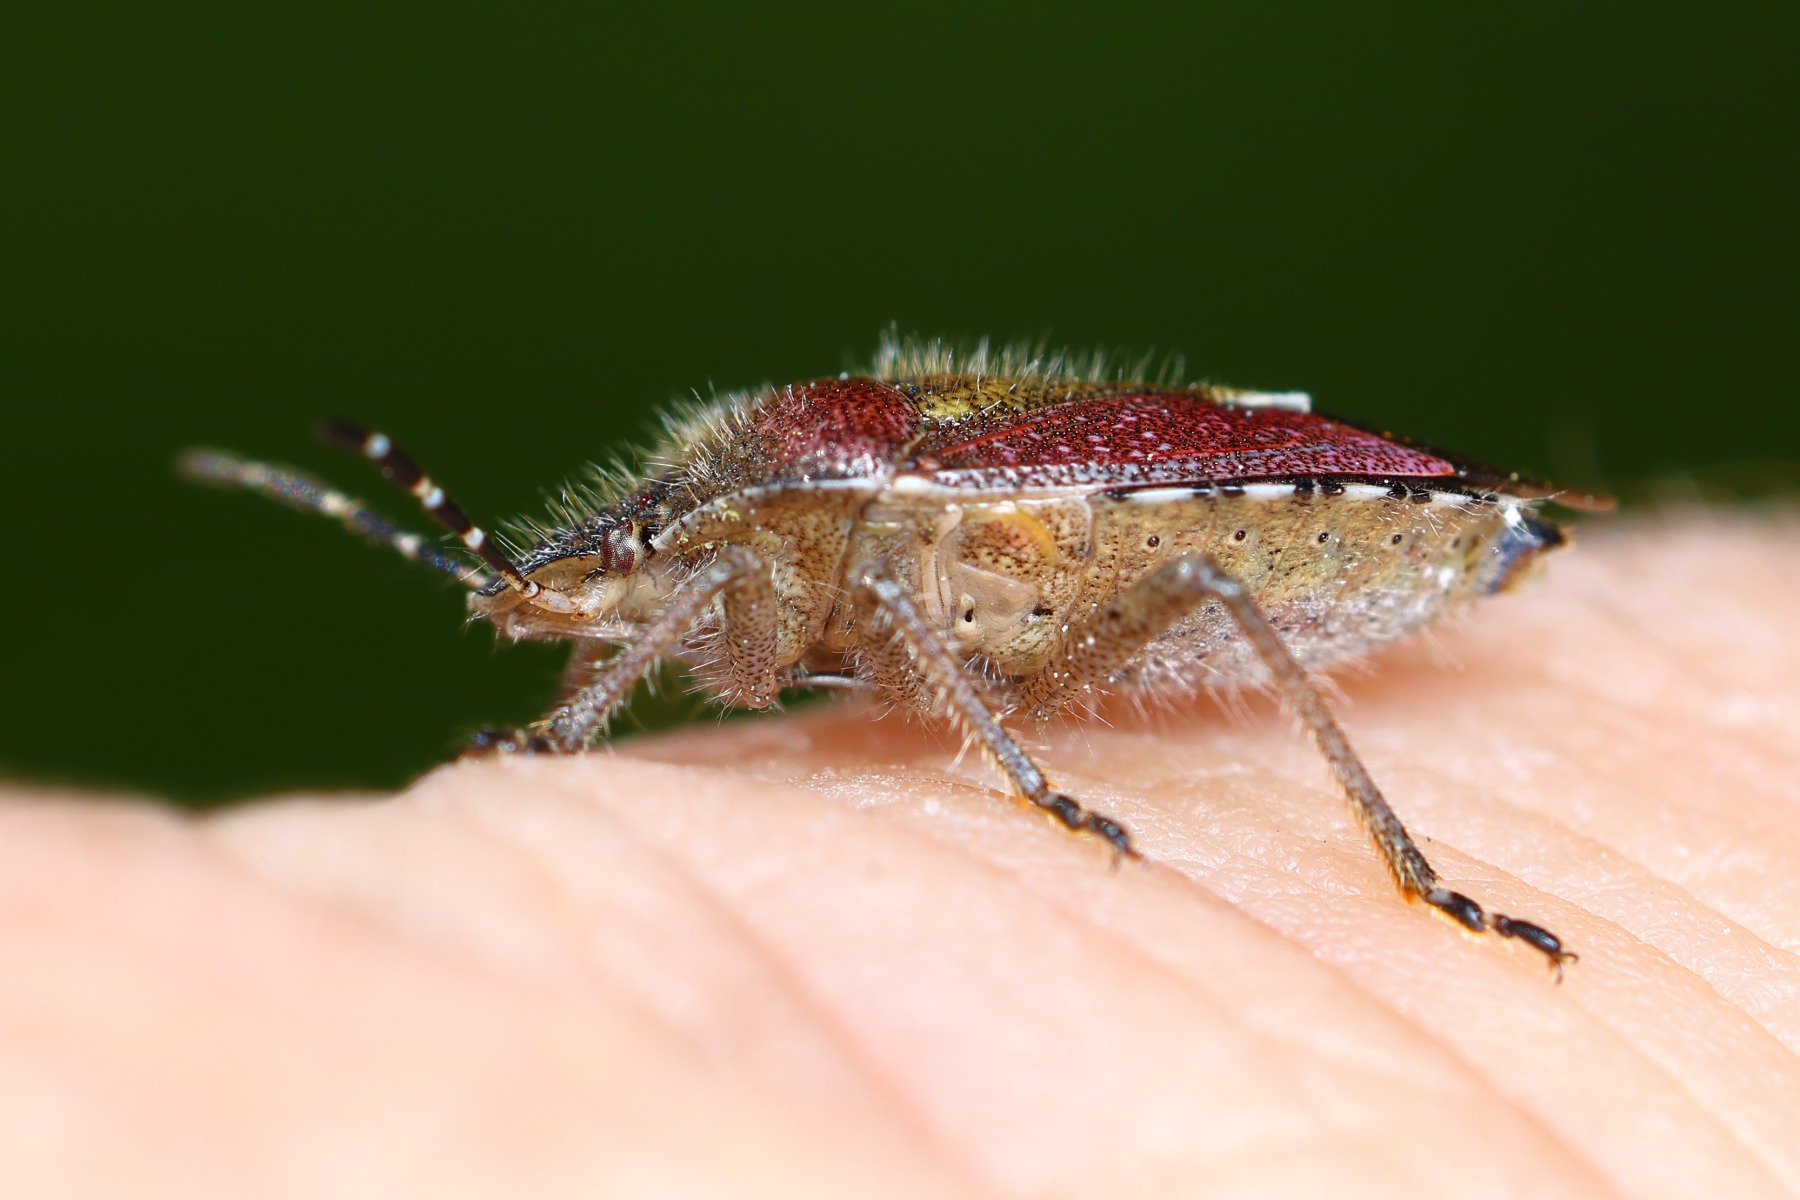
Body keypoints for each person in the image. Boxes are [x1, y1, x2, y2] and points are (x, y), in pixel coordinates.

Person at [3, 515, 1795, 1199]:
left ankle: (1413, 879)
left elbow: (725, 585)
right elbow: (709, 585)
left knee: (1212, 586)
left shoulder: (829, 538)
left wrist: (1013, 774)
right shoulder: (776, 541)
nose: (637, 594)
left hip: (1275, 537)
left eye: (645, 565)